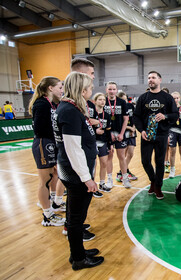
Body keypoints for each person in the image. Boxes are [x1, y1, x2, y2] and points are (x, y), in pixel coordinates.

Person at [53, 71, 104, 270]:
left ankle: (79, 252)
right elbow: (73, 148)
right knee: (75, 219)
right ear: (82, 90)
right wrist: (86, 178)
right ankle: (78, 259)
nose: (92, 91)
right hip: (75, 174)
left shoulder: (70, 108)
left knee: (76, 216)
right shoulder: (69, 110)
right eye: (90, 88)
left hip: (74, 171)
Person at [133, 71, 178, 199]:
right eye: (148, 78)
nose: (150, 80)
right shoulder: (143, 98)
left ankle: (158, 186)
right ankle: (153, 180)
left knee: (159, 162)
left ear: (160, 79)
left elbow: (175, 115)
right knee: (145, 161)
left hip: (161, 135)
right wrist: (141, 130)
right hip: (147, 135)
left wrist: (165, 116)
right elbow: (136, 116)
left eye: (153, 77)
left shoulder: (167, 98)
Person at [28, 76, 66, 226]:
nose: (62, 90)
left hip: (50, 142)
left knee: (55, 174)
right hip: (43, 143)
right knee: (45, 180)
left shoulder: (52, 104)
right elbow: (39, 129)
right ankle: (47, 215)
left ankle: (52, 204)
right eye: (60, 87)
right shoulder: (41, 104)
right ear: (50, 88)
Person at [103, 81, 131, 188]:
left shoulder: (122, 102)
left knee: (121, 157)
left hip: (120, 134)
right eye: (110, 89)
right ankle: (109, 179)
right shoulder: (103, 101)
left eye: (114, 89)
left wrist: (122, 133)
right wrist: (108, 133)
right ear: (106, 90)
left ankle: (125, 178)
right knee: (109, 156)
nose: (112, 91)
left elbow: (126, 119)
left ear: (116, 90)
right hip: (107, 134)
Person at [117, 91, 138, 181]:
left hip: (132, 132)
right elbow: (120, 122)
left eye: (125, 99)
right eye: (122, 100)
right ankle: (122, 173)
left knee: (131, 153)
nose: (124, 101)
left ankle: (123, 172)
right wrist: (129, 127)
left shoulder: (130, 106)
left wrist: (134, 127)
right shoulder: (118, 108)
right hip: (124, 132)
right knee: (123, 155)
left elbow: (134, 117)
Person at [93, 92, 112, 193]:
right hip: (92, 142)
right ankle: (92, 186)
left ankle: (102, 183)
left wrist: (110, 144)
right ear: (95, 101)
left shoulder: (107, 115)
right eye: (100, 99)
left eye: (104, 100)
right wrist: (95, 131)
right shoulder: (91, 114)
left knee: (104, 163)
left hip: (103, 142)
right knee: (93, 165)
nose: (102, 101)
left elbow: (108, 131)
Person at [168, 92, 181, 178]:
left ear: (180, 98)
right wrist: (167, 135)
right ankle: (172, 170)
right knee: (172, 151)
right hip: (172, 131)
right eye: (174, 98)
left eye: (177, 98)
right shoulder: (169, 109)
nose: (176, 100)